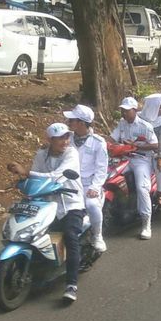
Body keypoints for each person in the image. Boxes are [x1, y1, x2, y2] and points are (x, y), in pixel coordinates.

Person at [7, 123, 86, 302]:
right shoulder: (41, 154)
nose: (65, 141)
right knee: (33, 232)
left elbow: (57, 176)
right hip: (47, 203)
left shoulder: (71, 153)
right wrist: (22, 180)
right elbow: (34, 177)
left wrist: (27, 172)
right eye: (61, 138)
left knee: (71, 236)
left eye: (67, 137)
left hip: (70, 204)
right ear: (50, 140)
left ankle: (71, 285)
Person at [110, 97, 158, 239]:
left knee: (142, 188)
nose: (124, 113)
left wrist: (137, 146)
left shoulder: (145, 126)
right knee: (107, 177)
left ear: (135, 110)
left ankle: (146, 224)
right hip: (123, 159)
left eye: (126, 110)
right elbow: (113, 139)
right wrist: (108, 144)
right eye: (122, 110)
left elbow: (155, 145)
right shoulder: (122, 124)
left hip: (140, 160)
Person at [64, 104, 108, 253]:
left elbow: (101, 169)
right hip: (68, 183)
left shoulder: (98, 142)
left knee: (92, 205)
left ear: (82, 123)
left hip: (88, 184)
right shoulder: (66, 139)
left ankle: (97, 235)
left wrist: (95, 188)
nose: (68, 122)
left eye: (72, 120)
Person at [139, 94, 161, 207]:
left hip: (158, 151)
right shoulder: (139, 117)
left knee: (160, 168)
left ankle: (160, 194)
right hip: (139, 150)